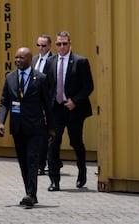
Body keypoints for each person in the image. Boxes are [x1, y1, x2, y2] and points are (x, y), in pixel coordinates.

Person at [0, 47, 55, 208]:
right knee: (23, 161)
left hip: (36, 128)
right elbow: (4, 102)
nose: (17, 60)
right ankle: (30, 192)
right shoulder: (10, 78)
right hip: (17, 128)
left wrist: (51, 128)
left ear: (30, 59)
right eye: (16, 58)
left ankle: (30, 194)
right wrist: (1, 122)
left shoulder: (41, 78)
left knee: (32, 160)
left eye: (21, 58)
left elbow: (48, 105)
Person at [46, 31, 94, 191]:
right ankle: (54, 180)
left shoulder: (80, 61)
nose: (61, 47)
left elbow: (89, 86)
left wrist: (75, 101)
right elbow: (47, 86)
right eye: (58, 44)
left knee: (76, 142)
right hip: (56, 109)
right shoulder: (51, 61)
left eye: (64, 44)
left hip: (74, 109)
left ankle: (82, 172)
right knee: (53, 143)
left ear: (70, 44)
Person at [32, 35, 53, 175]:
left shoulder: (54, 61)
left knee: (46, 135)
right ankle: (39, 162)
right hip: (34, 103)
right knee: (36, 134)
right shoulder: (34, 59)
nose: (40, 48)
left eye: (43, 46)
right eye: (38, 45)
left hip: (47, 102)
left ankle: (43, 164)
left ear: (50, 46)